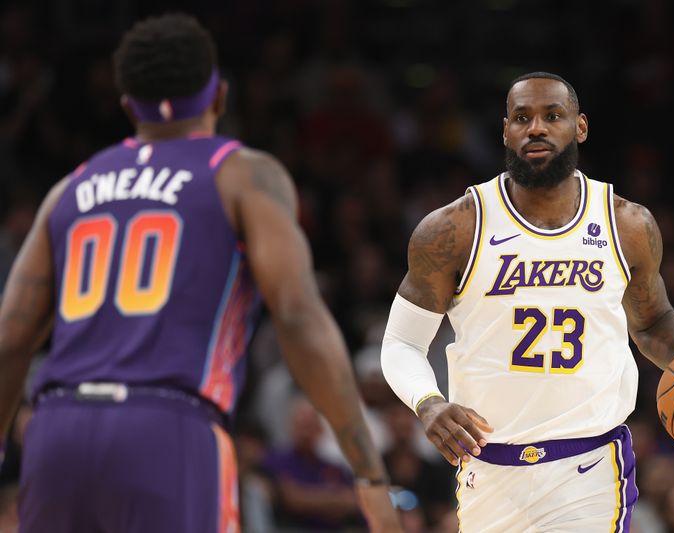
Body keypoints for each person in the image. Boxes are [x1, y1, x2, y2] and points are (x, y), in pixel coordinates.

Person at [0, 14, 401, 533]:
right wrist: (368, 471)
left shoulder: (69, 189)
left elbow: (10, 338)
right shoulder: (241, 174)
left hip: (57, 429)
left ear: (127, 107)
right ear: (219, 97)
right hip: (167, 427)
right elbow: (299, 316)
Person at [380, 72, 674, 532]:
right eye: (522, 118)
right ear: (505, 131)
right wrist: (428, 404)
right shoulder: (453, 229)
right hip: (488, 468)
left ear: (580, 127)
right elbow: (402, 343)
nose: (536, 128)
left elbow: (651, 321)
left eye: (552, 115)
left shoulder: (626, 224)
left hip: (590, 467)